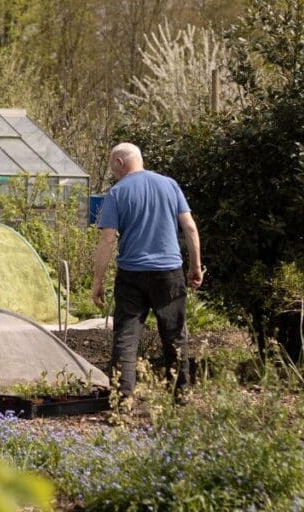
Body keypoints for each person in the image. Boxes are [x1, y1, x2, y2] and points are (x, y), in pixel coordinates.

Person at [92, 142, 202, 399]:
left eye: (112, 167)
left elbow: (108, 239)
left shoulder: (117, 193)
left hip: (131, 276)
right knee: (175, 336)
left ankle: (122, 402)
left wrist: (97, 280)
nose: (113, 173)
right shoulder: (169, 185)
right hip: (169, 273)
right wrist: (195, 266)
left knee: (126, 339)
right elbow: (190, 227)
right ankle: (181, 396)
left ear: (119, 163)